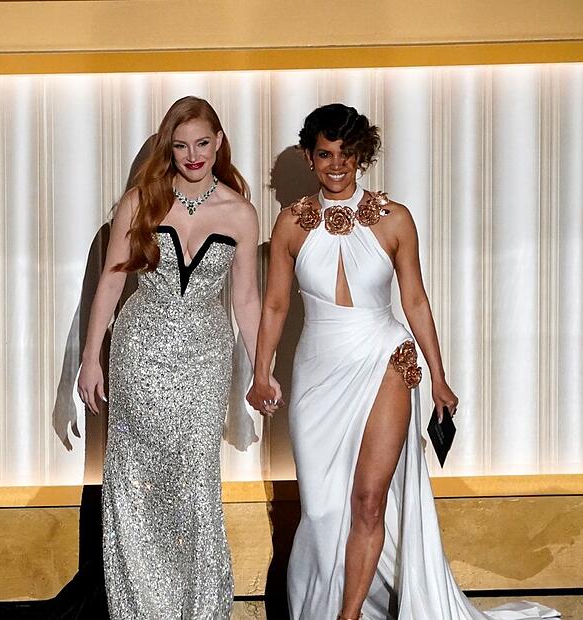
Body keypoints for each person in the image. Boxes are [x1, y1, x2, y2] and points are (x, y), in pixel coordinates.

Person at [247, 104, 557, 620]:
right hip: (318, 374)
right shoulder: (290, 224)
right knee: (321, 509)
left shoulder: (395, 219)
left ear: (361, 155)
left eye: (347, 153)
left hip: (386, 361)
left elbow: (414, 299)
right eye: (325, 154)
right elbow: (276, 304)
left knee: (369, 499)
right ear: (309, 157)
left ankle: (348, 617)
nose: (337, 165)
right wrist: (261, 373)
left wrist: (439, 377)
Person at [77, 95, 276, 619]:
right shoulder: (140, 201)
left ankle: (199, 608)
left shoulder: (240, 212)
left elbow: (246, 299)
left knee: (194, 482)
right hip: (140, 352)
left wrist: (262, 369)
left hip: (205, 359)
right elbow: (111, 281)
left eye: (203, 143)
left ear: (219, 142)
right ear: (169, 147)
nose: (193, 156)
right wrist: (91, 358)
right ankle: (140, 609)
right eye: (182, 145)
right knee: (134, 480)